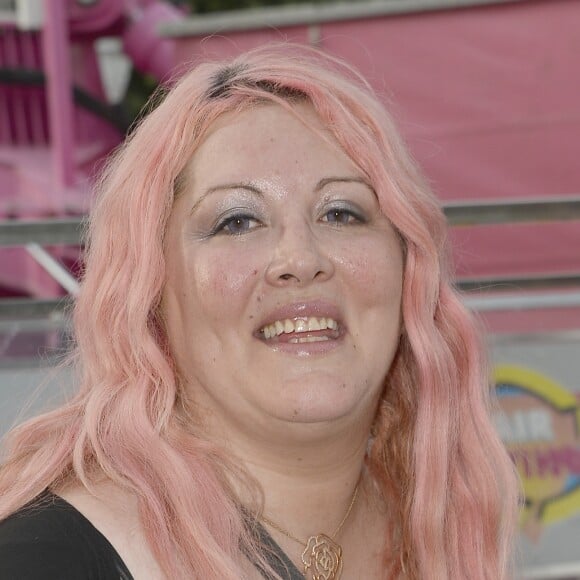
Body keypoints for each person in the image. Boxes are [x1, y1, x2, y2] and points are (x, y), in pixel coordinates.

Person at [0, 44, 518, 579]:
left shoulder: (446, 527)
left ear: (410, 269)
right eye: (237, 222)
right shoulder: (49, 560)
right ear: (150, 291)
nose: (300, 260)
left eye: (342, 212)